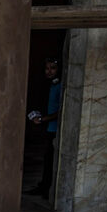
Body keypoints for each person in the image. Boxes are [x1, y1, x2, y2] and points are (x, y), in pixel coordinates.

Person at [27, 58, 62, 198]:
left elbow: (61, 109)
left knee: (51, 159)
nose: (49, 71)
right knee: (46, 158)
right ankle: (43, 186)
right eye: (47, 68)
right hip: (45, 127)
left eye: (53, 68)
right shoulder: (47, 85)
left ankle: (48, 189)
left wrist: (43, 119)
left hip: (53, 128)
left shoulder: (59, 86)